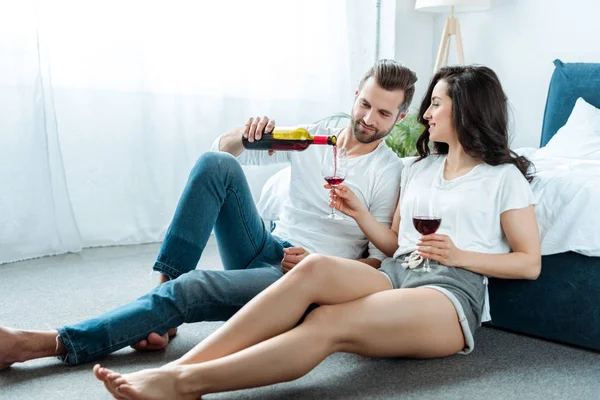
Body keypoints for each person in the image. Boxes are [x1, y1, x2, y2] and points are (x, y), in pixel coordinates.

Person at [93, 65, 541, 399]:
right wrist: (360, 213)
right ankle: (181, 369)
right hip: (398, 270)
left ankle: (186, 382)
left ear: (466, 110)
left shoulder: (503, 178)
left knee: (329, 321)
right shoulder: (419, 167)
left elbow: (529, 263)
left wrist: (460, 255)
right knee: (313, 271)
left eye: (437, 103)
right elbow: (393, 244)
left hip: (448, 290)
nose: (426, 113)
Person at [0, 59, 418, 369]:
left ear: (399, 117)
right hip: (265, 245)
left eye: (383, 113)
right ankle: (163, 297)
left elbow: (377, 262)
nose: (368, 119)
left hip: (299, 278)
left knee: (194, 288)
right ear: (355, 96)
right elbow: (221, 153)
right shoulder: (309, 139)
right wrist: (244, 134)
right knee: (214, 164)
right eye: (365, 104)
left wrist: (320, 266)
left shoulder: (390, 172)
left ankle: (45, 342)